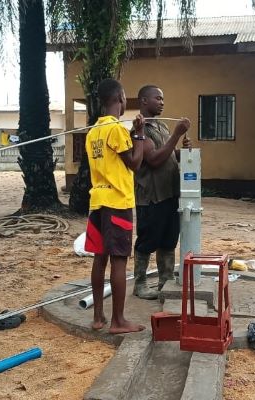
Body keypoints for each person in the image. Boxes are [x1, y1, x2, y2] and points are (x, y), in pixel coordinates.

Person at [84, 78, 146, 334]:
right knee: (119, 260)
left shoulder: (93, 132)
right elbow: (134, 163)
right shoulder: (116, 130)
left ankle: (98, 317)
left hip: (97, 201)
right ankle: (118, 321)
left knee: (100, 258)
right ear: (120, 98)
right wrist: (139, 134)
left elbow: (113, 157)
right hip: (117, 202)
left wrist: (131, 134)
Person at [132, 85, 191, 299]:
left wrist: (180, 151)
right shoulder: (140, 130)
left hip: (170, 193)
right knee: (147, 241)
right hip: (151, 197)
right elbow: (154, 159)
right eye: (158, 98)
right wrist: (177, 134)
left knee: (168, 240)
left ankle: (164, 282)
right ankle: (139, 285)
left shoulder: (162, 127)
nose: (162, 102)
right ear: (144, 101)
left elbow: (166, 154)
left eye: (163, 98)